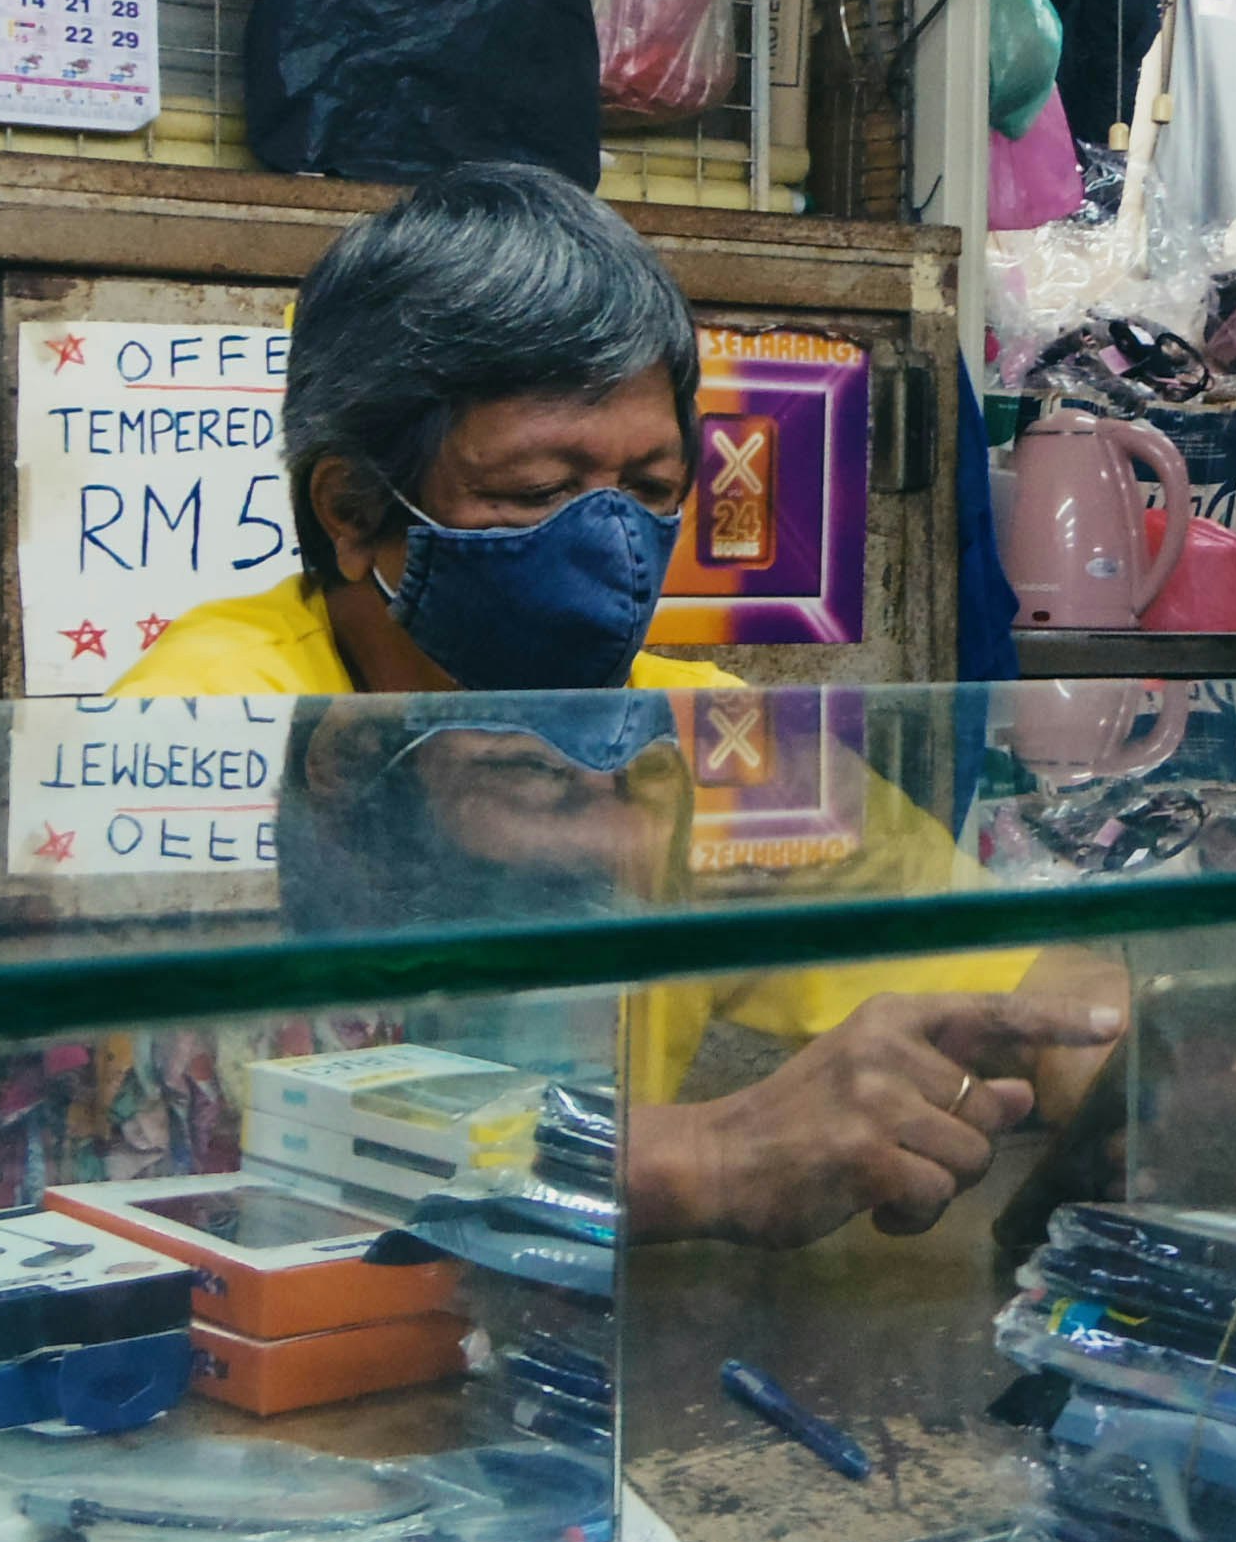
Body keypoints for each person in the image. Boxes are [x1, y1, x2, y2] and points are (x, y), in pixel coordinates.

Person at [119, 162, 1125, 1248]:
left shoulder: (698, 739)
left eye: (649, 491)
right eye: (537, 493)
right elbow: (186, 1138)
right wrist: (691, 1162)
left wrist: (1123, 1061)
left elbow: (1014, 979)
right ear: (355, 510)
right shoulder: (207, 723)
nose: (605, 546)